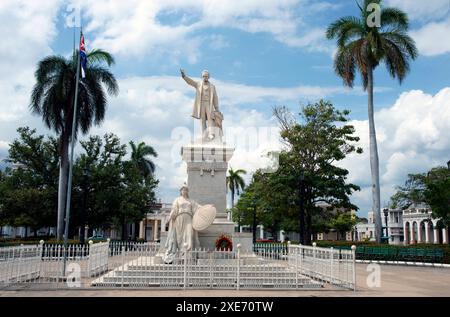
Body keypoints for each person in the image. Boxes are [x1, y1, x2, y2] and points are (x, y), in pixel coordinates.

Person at [180, 69, 223, 141]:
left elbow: (215, 97)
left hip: (209, 104)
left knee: (210, 119)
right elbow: (191, 82)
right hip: (201, 104)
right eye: (203, 76)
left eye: (206, 76)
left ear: (208, 77)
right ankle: (204, 135)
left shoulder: (212, 86)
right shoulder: (198, 84)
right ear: (201, 76)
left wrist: (216, 107)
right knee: (202, 120)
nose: (205, 77)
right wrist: (184, 76)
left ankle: (211, 134)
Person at [163, 184, 201, 264]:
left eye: (186, 190)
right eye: (183, 190)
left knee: (189, 235)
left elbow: (197, 207)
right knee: (179, 238)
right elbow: (174, 210)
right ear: (180, 191)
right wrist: (169, 218)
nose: (185, 191)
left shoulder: (190, 201)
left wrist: (205, 208)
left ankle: (188, 255)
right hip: (179, 219)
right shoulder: (177, 200)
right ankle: (181, 253)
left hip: (189, 219)